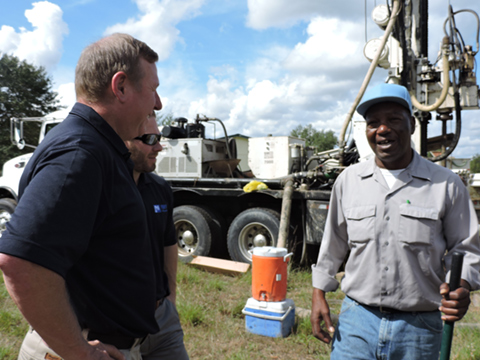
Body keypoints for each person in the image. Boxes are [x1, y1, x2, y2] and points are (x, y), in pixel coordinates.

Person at [0, 33, 162, 360]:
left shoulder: (99, 149)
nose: (158, 104)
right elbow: (20, 262)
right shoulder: (80, 155)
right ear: (121, 87)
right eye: (154, 89)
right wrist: (79, 352)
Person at [311, 83, 480, 359]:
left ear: (412, 125)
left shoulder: (446, 185)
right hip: (356, 320)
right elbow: (333, 245)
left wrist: (460, 286)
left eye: (393, 120)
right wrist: (318, 293)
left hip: (420, 327)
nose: (382, 129)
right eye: (373, 122)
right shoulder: (348, 182)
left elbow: (467, 250)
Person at [124, 113, 189, 360]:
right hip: (119, 325)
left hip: (162, 319)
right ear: (124, 141)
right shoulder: (106, 187)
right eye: (150, 139)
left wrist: (170, 298)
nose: (159, 147)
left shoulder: (160, 188)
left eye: (159, 139)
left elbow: (168, 242)